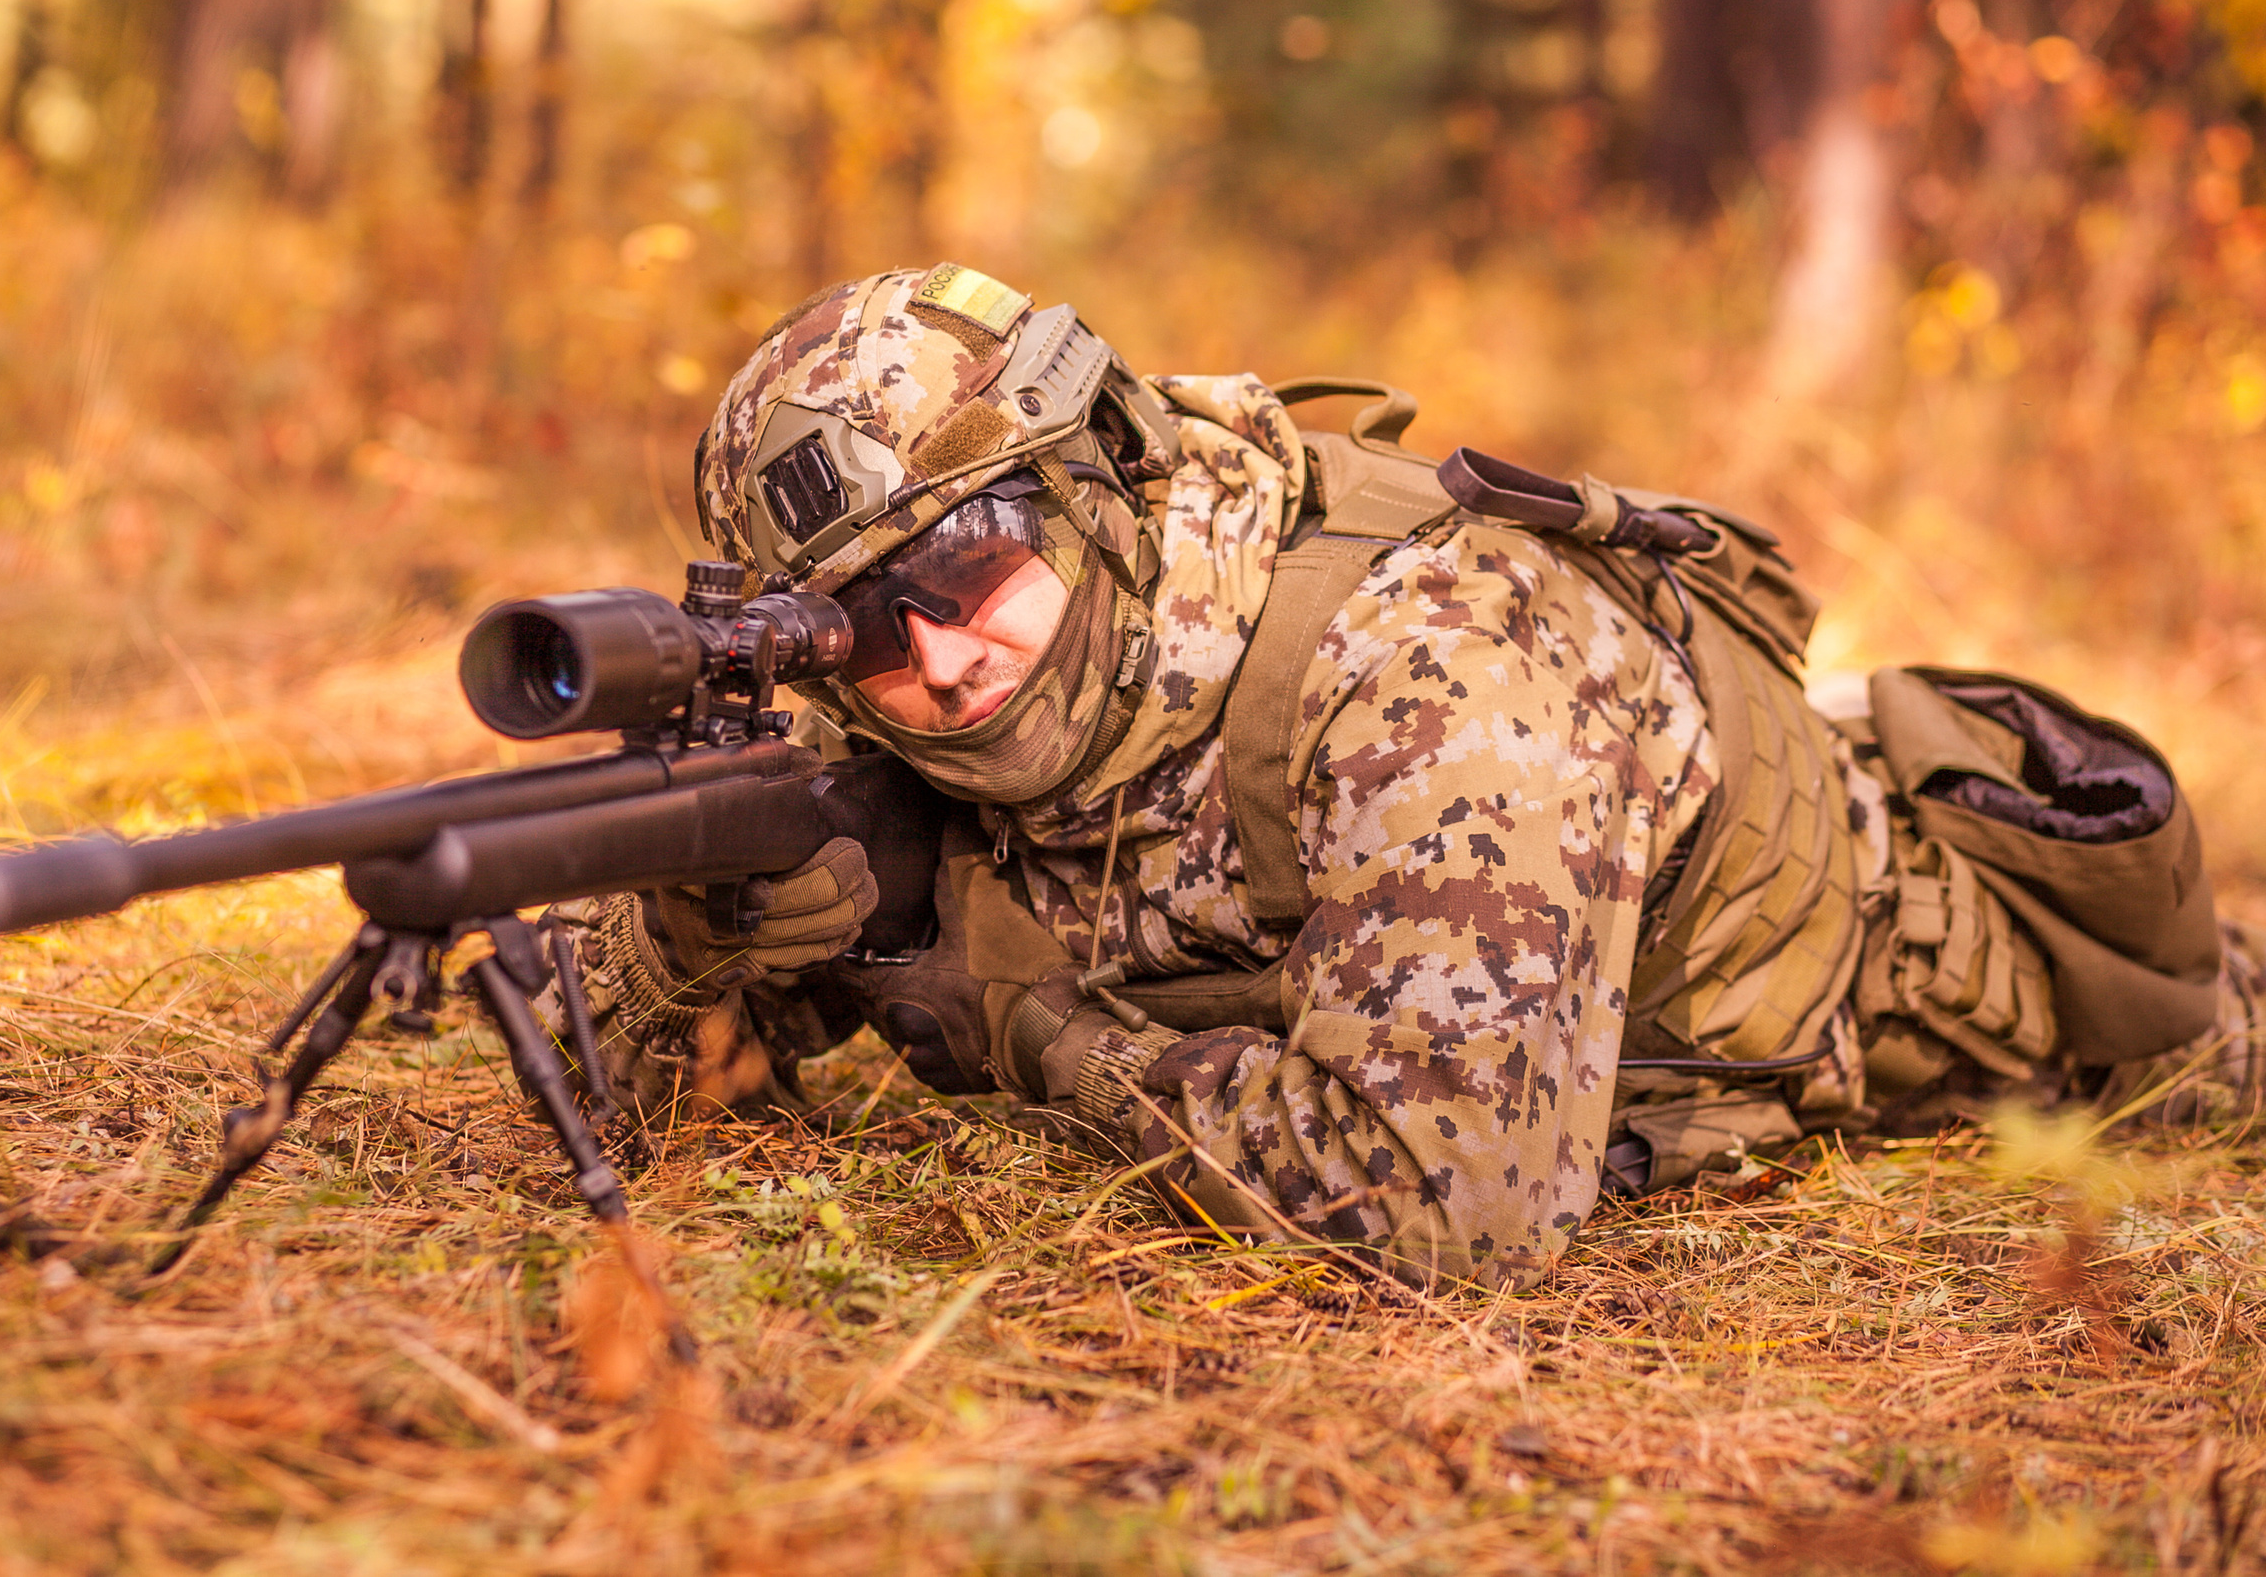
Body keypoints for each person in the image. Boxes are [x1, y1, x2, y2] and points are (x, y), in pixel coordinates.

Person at [543, 265, 2263, 1290]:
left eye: (969, 573)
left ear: (1105, 483)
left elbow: (1446, 1212)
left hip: (1963, 1000)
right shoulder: (935, 677)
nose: (933, 666)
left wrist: (1020, 1022)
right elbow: (621, 1109)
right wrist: (698, 935)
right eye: (852, 630)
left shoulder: (1434, 662)